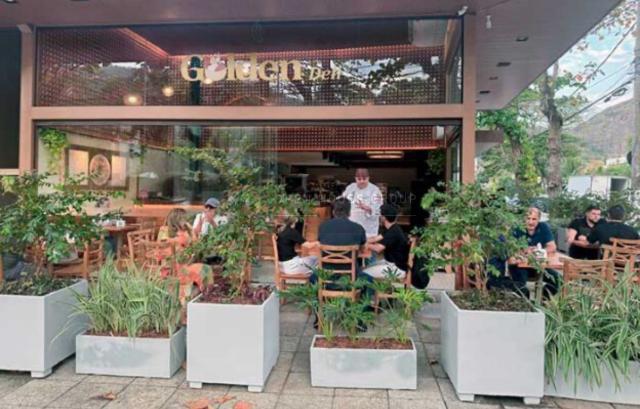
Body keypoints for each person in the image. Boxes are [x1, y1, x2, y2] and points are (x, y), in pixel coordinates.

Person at [508, 207, 561, 298]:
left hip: (538, 265)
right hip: (519, 265)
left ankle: (541, 299)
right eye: (528, 218)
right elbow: (510, 249)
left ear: (539, 219)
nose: (530, 222)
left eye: (534, 219)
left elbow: (552, 247)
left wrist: (537, 251)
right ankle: (525, 302)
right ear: (524, 218)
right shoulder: (516, 228)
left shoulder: (543, 227)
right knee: (521, 286)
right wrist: (525, 250)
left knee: (558, 281)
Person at [364, 204, 410, 279]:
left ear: (384, 217)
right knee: (365, 268)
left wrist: (364, 244)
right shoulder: (392, 228)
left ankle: (370, 287)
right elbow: (374, 239)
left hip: (396, 268)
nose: (379, 217)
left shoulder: (393, 232)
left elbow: (378, 248)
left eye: (380, 215)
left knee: (363, 273)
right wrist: (360, 239)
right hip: (392, 263)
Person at [341, 168, 383, 239]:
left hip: (368, 229)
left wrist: (368, 209)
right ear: (355, 178)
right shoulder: (350, 187)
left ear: (368, 178)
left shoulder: (375, 190)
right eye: (359, 179)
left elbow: (378, 210)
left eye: (364, 179)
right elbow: (343, 200)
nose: (361, 181)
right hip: (352, 227)